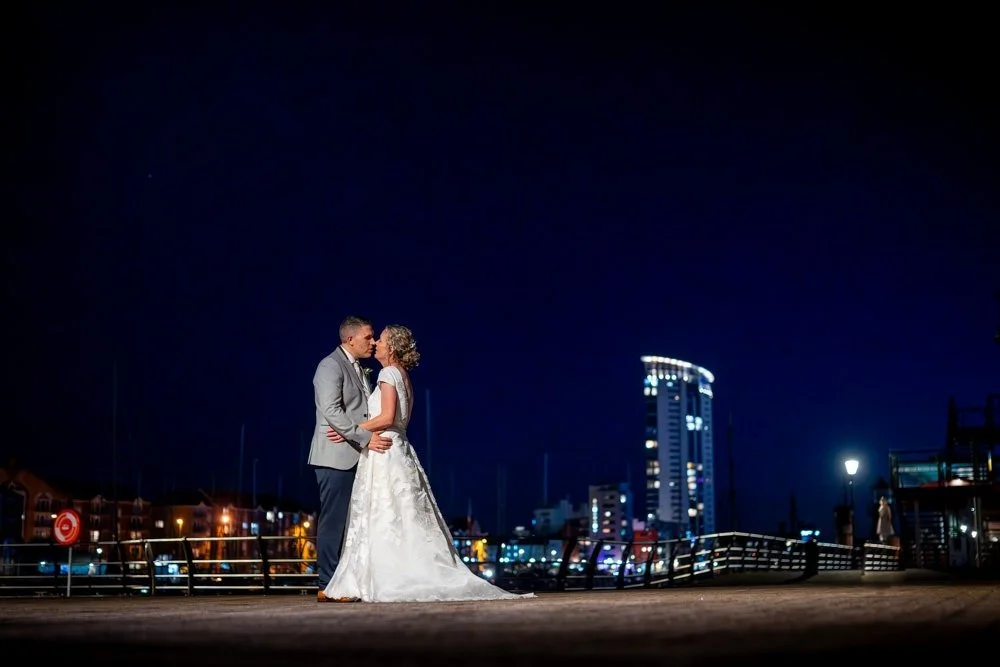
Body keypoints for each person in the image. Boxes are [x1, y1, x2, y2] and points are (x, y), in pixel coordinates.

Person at [322, 324, 534, 603]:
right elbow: (401, 421)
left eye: (381, 340)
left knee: (385, 512)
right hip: (398, 449)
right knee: (404, 512)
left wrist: (350, 428)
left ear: (392, 347)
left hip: (384, 451)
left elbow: (387, 418)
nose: (375, 344)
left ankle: (387, 574)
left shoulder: (387, 373)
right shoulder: (403, 376)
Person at [309, 315, 394, 602]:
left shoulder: (358, 367)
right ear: (350, 339)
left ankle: (347, 583)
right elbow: (331, 411)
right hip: (335, 457)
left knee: (353, 522)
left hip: (355, 454)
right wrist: (364, 436)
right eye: (369, 337)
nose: (372, 342)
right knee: (335, 521)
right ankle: (327, 584)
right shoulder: (329, 366)